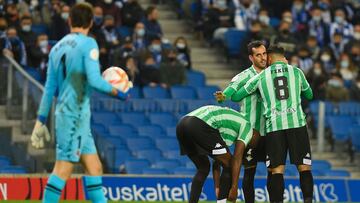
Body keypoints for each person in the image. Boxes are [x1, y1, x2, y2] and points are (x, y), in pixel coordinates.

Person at [30, 3, 128, 203]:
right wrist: (120, 93)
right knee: (63, 169)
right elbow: (94, 80)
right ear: (91, 22)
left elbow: (49, 89)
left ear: (69, 21)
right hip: (73, 116)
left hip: (73, 115)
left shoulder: (56, 48)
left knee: (94, 167)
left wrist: (40, 120)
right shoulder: (89, 44)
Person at [232, 45, 314, 203]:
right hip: (297, 124)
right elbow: (309, 95)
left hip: (274, 127)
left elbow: (237, 96)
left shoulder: (261, 76)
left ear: (269, 59)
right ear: (284, 58)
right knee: (304, 167)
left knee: (277, 170)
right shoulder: (296, 72)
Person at [214, 40, 268, 203]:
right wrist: (223, 96)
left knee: (273, 172)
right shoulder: (244, 76)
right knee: (244, 172)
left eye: (264, 53)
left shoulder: (271, 74)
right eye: (258, 55)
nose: (263, 58)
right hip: (249, 132)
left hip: (269, 131)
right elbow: (229, 92)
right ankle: (222, 200)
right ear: (251, 58)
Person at [176, 105, 256, 203]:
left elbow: (217, 161)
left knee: (203, 168)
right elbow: (236, 158)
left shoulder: (230, 127)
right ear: (255, 134)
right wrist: (234, 188)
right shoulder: (248, 128)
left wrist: (217, 187)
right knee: (231, 164)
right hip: (199, 124)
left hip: (182, 124)